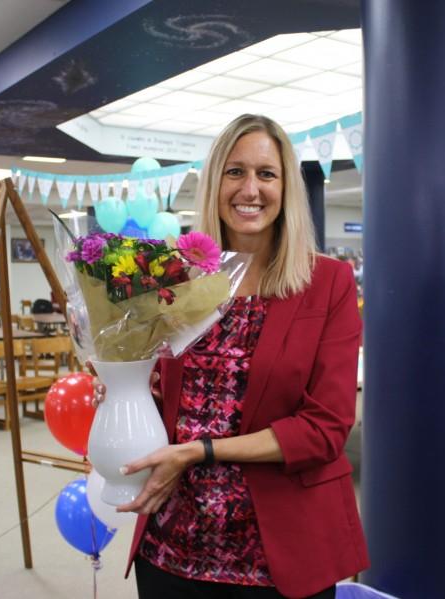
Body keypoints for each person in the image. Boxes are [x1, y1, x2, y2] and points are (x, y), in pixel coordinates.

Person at [97, 114, 368, 598]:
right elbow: (164, 395)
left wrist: (200, 451)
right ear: (215, 183)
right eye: (235, 171)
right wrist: (126, 389)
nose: (251, 189)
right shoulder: (172, 276)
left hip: (280, 554)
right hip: (174, 547)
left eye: (267, 173)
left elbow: (325, 429)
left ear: (286, 186)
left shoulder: (327, 282)